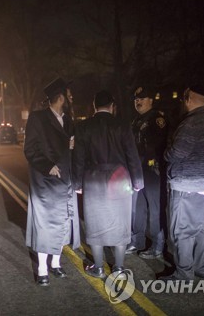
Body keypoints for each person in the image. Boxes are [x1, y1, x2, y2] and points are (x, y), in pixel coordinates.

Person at [73, 90, 144, 278]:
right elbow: (132, 154)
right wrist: (138, 180)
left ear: (94, 107)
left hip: (93, 178)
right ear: (112, 107)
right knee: (121, 223)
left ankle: (98, 268)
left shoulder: (83, 126)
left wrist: (77, 183)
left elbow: (78, 158)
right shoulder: (122, 125)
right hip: (119, 178)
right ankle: (119, 268)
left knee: (94, 223)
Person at [161, 85, 204, 282]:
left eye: (182, 99)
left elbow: (176, 154)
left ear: (188, 100)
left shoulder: (190, 124)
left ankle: (184, 274)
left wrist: (166, 153)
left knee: (182, 231)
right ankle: (201, 269)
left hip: (187, 184)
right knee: (203, 227)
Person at [24, 77, 80, 286]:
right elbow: (30, 150)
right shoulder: (38, 118)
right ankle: (42, 269)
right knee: (46, 225)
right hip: (46, 181)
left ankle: (56, 264)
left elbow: (70, 148)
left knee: (65, 221)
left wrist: (72, 147)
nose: (71, 97)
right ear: (60, 97)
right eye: (69, 93)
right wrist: (48, 166)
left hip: (65, 180)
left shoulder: (70, 120)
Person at [126, 86, 168, 259]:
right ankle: (138, 240)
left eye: (142, 98)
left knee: (155, 208)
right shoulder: (136, 120)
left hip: (152, 169)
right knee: (138, 207)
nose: (138, 101)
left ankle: (158, 246)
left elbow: (156, 144)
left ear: (151, 100)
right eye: (136, 99)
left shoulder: (157, 119)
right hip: (138, 169)